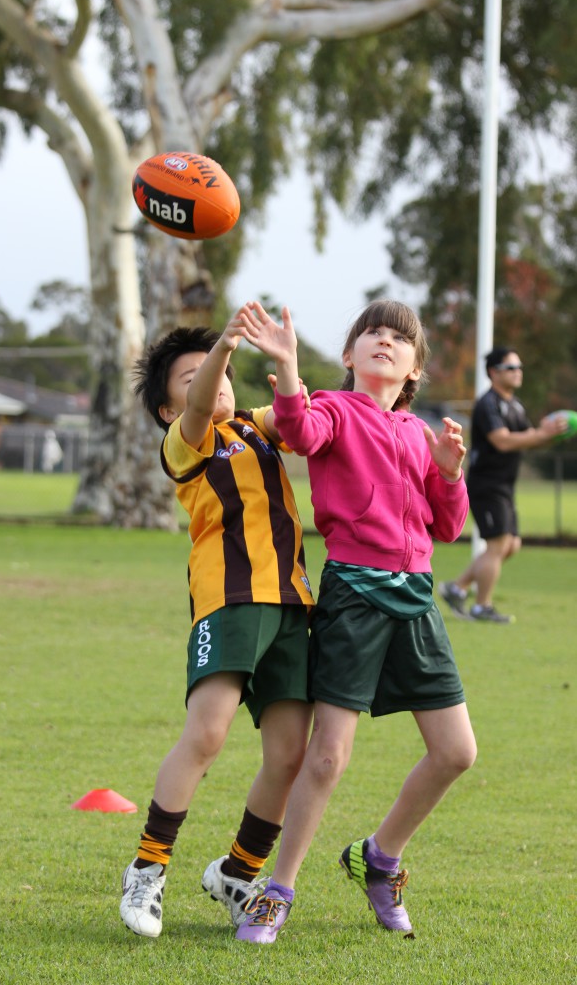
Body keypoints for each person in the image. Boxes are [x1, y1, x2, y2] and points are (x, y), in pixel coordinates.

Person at [231, 298, 477, 944]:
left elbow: (447, 526)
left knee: (456, 752)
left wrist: (450, 475)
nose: (384, 341)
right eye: (371, 332)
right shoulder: (334, 410)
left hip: (415, 597)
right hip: (354, 595)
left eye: (399, 337)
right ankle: (276, 891)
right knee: (327, 757)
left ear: (415, 366)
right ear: (349, 355)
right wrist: (286, 366)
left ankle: (380, 856)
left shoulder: (422, 434)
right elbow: (299, 433)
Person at [119, 315, 315, 939]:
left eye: (224, 372)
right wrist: (222, 345)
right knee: (206, 736)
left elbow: (298, 419)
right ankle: (147, 869)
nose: (217, 380)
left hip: (291, 604)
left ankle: (237, 872)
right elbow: (200, 405)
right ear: (164, 406)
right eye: (194, 374)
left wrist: (284, 360)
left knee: (290, 755)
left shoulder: (253, 427)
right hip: (229, 601)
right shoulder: (186, 440)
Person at [439, 347, 568, 623]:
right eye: (511, 367)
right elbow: (503, 440)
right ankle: (481, 606)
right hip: (487, 484)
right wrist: (541, 434)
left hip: (505, 486)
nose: (518, 371)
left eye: (519, 366)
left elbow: (530, 437)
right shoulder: (488, 404)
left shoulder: (515, 405)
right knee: (498, 545)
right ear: (493, 372)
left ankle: (456, 587)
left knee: (511, 545)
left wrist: (553, 433)